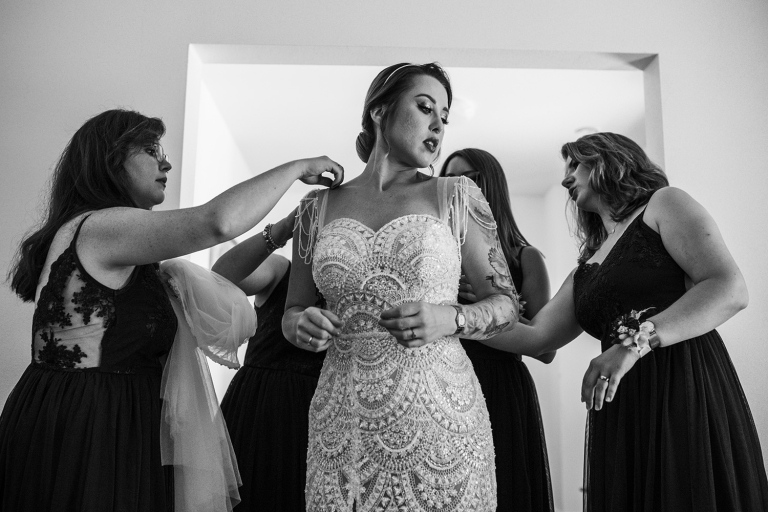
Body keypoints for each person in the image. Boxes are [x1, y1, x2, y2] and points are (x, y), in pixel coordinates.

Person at [0, 109, 343, 512]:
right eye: (150, 151)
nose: (166, 164)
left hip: (118, 420)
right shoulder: (100, 227)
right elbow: (216, 222)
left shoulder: (125, 246)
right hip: (87, 423)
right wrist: (297, 168)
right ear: (110, 160)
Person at [485, 132, 768, 511]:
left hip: (681, 385)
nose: (566, 179)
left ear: (609, 159)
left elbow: (729, 288)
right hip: (622, 409)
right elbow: (536, 338)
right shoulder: (586, 268)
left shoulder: (663, 204)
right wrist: (454, 317)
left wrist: (633, 344)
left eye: (575, 164)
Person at [282, 63, 520, 512]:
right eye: (425, 107)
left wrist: (450, 318)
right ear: (379, 111)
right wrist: (299, 324)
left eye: (444, 117)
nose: (438, 125)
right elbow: (292, 310)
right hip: (343, 419)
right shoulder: (316, 207)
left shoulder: (456, 194)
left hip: (440, 421)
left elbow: (507, 306)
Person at [441, 148, 554, 512]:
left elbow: (546, 348)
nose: (456, 186)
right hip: (444, 383)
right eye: (447, 179)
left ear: (490, 184)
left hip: (499, 386)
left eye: (467, 178)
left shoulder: (525, 258)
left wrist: (493, 310)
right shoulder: (436, 252)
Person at [212, 208, 326, 511]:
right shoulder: (281, 270)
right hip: (261, 409)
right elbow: (221, 277)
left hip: (324, 415)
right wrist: (284, 228)